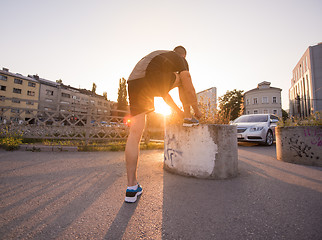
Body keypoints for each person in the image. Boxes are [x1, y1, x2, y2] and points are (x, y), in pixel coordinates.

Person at [124, 46, 202, 203]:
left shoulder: (161, 61)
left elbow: (164, 94)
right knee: (183, 79)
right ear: (183, 55)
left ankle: (131, 188)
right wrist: (196, 110)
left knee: (135, 133)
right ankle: (189, 117)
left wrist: (177, 112)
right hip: (149, 79)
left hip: (134, 82)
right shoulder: (179, 58)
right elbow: (186, 80)